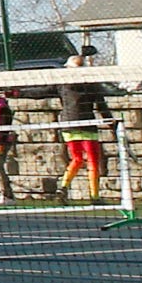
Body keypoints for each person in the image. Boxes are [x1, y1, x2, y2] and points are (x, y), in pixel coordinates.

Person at [56, 46, 112, 201]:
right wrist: (112, 124)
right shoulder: (91, 84)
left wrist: (16, 92)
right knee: (92, 161)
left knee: (77, 159)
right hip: (86, 127)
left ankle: (63, 188)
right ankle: (94, 196)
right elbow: (102, 106)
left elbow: (40, 92)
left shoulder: (62, 84)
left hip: (69, 126)